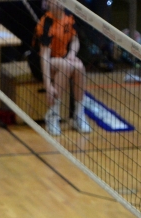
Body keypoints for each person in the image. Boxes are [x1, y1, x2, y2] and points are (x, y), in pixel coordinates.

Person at [34, 0, 91, 136]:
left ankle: (78, 114)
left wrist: (72, 53)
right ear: (48, 2)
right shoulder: (46, 23)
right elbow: (44, 56)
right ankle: (53, 115)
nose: (59, 3)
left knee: (79, 66)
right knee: (65, 65)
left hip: (62, 59)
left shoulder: (69, 17)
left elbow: (75, 40)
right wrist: (48, 85)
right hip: (40, 63)